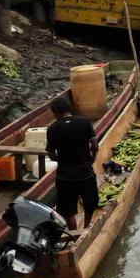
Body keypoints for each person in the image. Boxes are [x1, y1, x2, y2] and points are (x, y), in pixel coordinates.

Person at [45, 96, 98, 230]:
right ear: (69, 108)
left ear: (56, 112)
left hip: (65, 177)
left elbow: (51, 155)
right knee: (90, 204)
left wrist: (60, 160)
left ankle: (74, 235)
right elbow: (95, 145)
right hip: (86, 173)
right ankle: (86, 228)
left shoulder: (52, 129)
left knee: (67, 210)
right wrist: (92, 158)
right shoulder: (84, 122)